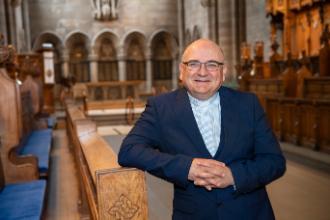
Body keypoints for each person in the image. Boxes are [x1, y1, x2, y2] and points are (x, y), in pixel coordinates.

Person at [118, 39, 286, 220]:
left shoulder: (248, 104)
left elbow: (274, 161)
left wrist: (234, 176)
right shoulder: (161, 108)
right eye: (194, 64)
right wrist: (186, 168)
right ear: (182, 71)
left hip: (250, 213)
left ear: (223, 72)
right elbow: (129, 151)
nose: (202, 72)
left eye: (212, 65)